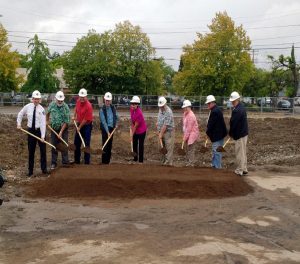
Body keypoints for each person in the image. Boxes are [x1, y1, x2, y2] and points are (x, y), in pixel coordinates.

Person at [17, 90, 48, 176]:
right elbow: (20, 114)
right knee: (31, 151)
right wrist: (19, 124)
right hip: (31, 131)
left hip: (39, 131)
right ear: (32, 99)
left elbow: (43, 124)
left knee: (43, 151)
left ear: (40, 99)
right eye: (35, 99)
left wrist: (42, 136)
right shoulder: (27, 107)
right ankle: (30, 171)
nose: (36, 100)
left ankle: (44, 169)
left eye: (38, 99)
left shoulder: (42, 109)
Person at [46, 91, 70, 169]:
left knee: (64, 144)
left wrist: (61, 132)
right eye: (58, 100)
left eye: (61, 100)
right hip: (54, 128)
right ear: (56, 99)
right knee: (54, 145)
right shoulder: (52, 105)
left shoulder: (66, 107)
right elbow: (47, 112)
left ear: (63, 100)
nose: (60, 102)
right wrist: (47, 121)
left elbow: (66, 121)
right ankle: (54, 162)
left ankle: (65, 161)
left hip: (63, 128)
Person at [229, 91, 249, 176]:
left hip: (240, 134)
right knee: (243, 151)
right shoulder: (242, 107)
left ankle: (240, 170)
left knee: (239, 152)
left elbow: (234, 123)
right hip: (244, 133)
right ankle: (244, 168)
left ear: (237, 100)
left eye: (233, 101)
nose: (232, 102)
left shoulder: (237, 110)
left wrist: (231, 133)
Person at [205, 95, 228, 169]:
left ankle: (217, 168)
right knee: (217, 151)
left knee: (217, 151)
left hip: (217, 135)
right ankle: (215, 166)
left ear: (212, 103)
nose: (207, 105)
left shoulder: (215, 111)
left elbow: (211, 125)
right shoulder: (216, 110)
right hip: (220, 134)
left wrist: (207, 133)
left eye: (208, 104)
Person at [73, 88, 93, 164]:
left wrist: (79, 127)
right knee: (76, 143)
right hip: (79, 123)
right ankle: (77, 160)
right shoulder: (78, 101)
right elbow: (76, 108)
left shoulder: (89, 106)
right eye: (81, 97)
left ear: (86, 97)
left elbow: (85, 119)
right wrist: (74, 115)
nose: (82, 98)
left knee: (86, 143)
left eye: (83, 97)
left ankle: (87, 161)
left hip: (87, 125)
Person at [100, 92, 118, 164]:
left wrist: (116, 124)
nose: (108, 102)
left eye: (109, 100)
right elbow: (104, 122)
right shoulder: (102, 110)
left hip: (112, 129)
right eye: (106, 100)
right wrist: (107, 132)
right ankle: (103, 161)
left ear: (111, 100)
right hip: (105, 129)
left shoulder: (113, 108)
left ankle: (108, 161)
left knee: (110, 145)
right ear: (104, 100)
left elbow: (116, 117)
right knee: (105, 145)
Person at [157, 96, 175, 166]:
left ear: (165, 104)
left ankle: (168, 163)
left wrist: (161, 134)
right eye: (160, 106)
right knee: (161, 147)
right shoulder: (160, 109)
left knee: (168, 147)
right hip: (161, 131)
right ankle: (163, 161)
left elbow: (165, 125)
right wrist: (158, 127)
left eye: (162, 106)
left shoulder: (168, 112)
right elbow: (159, 119)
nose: (161, 107)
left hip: (168, 132)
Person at [182, 99, 199, 166]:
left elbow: (189, 128)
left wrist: (184, 137)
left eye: (185, 107)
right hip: (187, 133)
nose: (184, 109)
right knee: (188, 148)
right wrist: (184, 135)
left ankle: (191, 163)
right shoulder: (185, 114)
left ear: (189, 107)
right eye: (184, 107)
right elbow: (184, 125)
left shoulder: (191, 115)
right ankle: (188, 161)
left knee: (191, 148)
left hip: (192, 134)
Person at [130, 96, 147, 163]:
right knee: (134, 144)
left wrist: (131, 134)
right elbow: (132, 120)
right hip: (135, 130)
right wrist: (131, 128)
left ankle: (141, 161)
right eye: (132, 103)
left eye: (134, 104)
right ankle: (135, 158)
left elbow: (136, 126)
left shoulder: (139, 113)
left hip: (142, 131)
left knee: (140, 145)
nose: (132, 105)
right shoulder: (131, 109)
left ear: (137, 104)